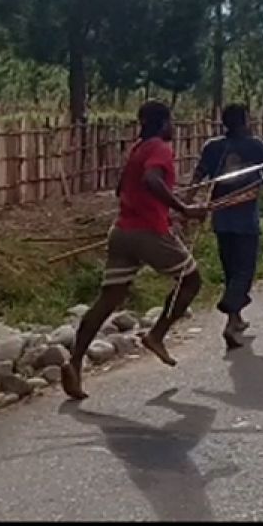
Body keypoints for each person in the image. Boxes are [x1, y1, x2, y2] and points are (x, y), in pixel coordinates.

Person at [63, 101, 208, 401]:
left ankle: (74, 362)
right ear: (163, 122)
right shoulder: (159, 148)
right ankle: (157, 334)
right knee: (191, 280)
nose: (173, 126)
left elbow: (123, 189)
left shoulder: (137, 148)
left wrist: (165, 209)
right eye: (171, 121)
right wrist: (184, 208)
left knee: (108, 299)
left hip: (122, 231)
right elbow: (151, 180)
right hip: (148, 232)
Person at [191, 104, 263, 350]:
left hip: (221, 219)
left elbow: (197, 177)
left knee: (231, 269)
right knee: (244, 271)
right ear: (245, 121)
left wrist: (188, 207)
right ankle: (230, 313)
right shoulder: (256, 146)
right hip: (245, 220)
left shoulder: (212, 147)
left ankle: (235, 318)